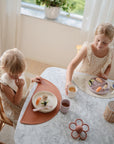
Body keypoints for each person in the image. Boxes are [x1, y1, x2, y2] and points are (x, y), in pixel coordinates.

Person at [65, 23, 114, 95]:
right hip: (80, 78)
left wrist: (105, 75)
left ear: (110, 41)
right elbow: (72, 65)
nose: (100, 44)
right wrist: (68, 81)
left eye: (104, 43)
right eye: (98, 40)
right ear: (95, 36)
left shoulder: (110, 52)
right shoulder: (87, 49)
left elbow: (109, 66)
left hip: (94, 83)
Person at [0, 48, 41, 127]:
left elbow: (25, 81)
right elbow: (16, 102)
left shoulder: (16, 71)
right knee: (30, 120)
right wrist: (20, 88)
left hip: (22, 96)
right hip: (14, 108)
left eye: (20, 73)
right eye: (14, 75)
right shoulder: (4, 84)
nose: (17, 76)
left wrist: (32, 80)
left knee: (39, 102)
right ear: (4, 69)